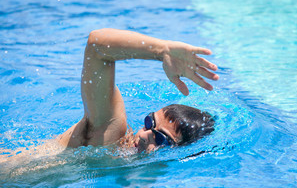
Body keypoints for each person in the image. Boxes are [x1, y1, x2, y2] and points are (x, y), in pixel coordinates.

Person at [56, 28, 219, 153]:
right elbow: (96, 46)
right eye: (149, 123)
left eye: (160, 138)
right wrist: (162, 51)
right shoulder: (109, 131)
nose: (144, 135)